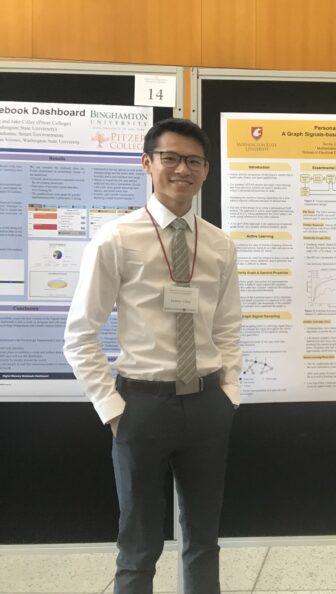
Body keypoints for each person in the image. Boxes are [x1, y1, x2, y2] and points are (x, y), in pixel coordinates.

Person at [64, 118, 242, 594]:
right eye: (170, 158)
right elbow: (80, 333)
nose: (182, 169)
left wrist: (230, 392)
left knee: (204, 539)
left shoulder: (220, 245)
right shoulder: (116, 239)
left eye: (193, 161)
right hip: (141, 407)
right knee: (139, 545)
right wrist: (112, 409)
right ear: (147, 163)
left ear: (205, 171)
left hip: (207, 405)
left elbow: (227, 326)